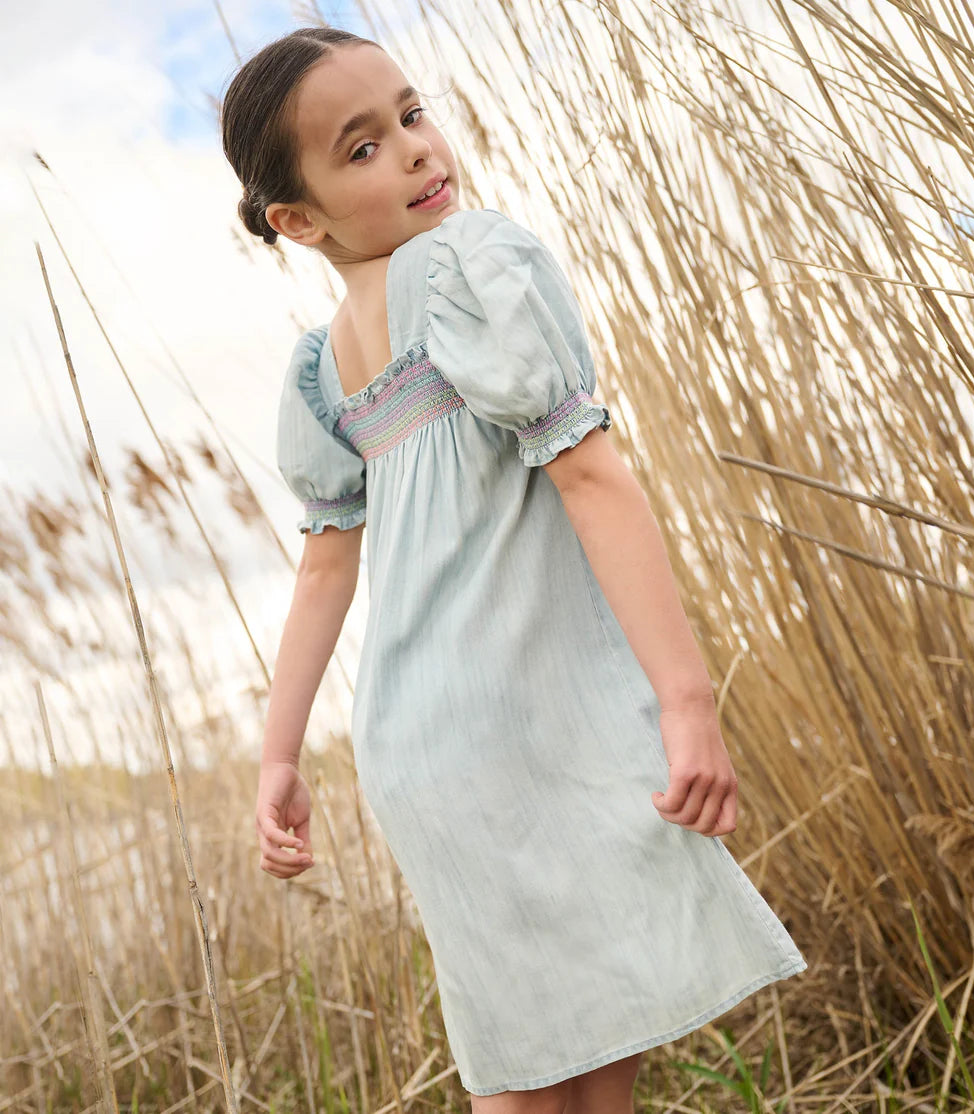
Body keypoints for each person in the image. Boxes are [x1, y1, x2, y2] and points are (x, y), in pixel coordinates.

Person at [220, 26, 808, 1112]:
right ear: (295, 219)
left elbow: (320, 571)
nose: (413, 150)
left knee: (530, 1063)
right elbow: (591, 478)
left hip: (420, 748)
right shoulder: (466, 264)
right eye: (360, 149)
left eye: (411, 113)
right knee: (588, 1058)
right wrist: (686, 698)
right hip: (540, 724)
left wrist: (280, 755)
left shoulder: (322, 368)